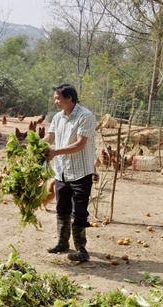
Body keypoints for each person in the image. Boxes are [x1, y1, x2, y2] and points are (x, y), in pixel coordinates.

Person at [42, 83, 97, 262]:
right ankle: (62, 242)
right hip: (62, 172)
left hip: (80, 172)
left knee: (79, 212)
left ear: (69, 98)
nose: (56, 102)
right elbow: (49, 137)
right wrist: (36, 145)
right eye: (55, 99)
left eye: (58, 98)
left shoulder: (85, 116)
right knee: (62, 209)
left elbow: (80, 144)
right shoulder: (58, 117)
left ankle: (81, 249)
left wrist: (55, 152)